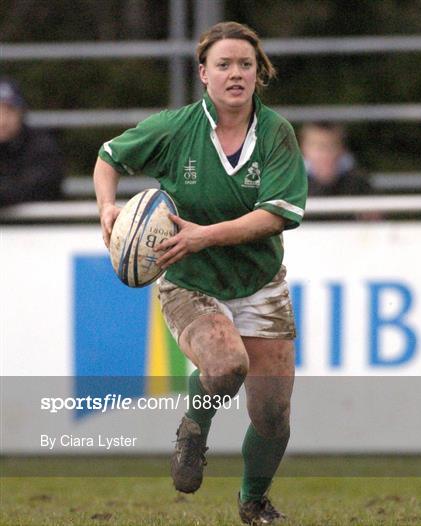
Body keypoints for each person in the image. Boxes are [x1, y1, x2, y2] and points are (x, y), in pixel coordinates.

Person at [93, 21, 307, 525]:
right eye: (224, 65)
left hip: (260, 282)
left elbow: (276, 215)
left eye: (246, 65)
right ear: (203, 74)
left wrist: (203, 234)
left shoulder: (276, 133)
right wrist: (107, 208)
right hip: (189, 280)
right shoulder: (174, 128)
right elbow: (108, 157)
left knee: (273, 414)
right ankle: (195, 427)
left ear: (259, 74)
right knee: (226, 363)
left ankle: (253, 502)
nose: (236, 73)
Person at [0, 77, 64, 207]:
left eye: (9, 110)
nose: (2, 120)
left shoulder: (41, 146)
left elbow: (42, 185)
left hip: (35, 225)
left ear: (21, 112)